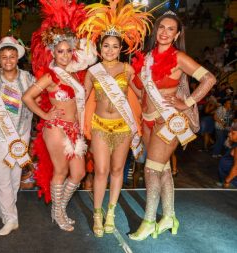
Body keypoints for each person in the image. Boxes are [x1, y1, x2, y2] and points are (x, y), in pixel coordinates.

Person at [129, 11, 216, 240]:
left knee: (150, 170)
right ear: (155, 30)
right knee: (163, 169)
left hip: (168, 120)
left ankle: (148, 222)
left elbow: (209, 79)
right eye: (161, 28)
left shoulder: (179, 58)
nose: (164, 32)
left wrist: (186, 101)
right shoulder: (146, 58)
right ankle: (169, 217)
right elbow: (140, 90)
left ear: (177, 34)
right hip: (148, 119)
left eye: (170, 29)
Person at [77, 0, 149, 237]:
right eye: (106, 46)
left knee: (118, 171)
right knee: (101, 171)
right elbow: (82, 98)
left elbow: (141, 94)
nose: (110, 50)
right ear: (100, 48)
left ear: (121, 49)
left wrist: (147, 80)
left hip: (123, 128)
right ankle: (97, 214)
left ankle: (111, 214)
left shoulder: (128, 70)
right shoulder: (92, 71)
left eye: (114, 46)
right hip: (99, 126)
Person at [24, 0, 96, 232]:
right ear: (52, 52)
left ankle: (59, 209)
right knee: (61, 171)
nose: (64, 55)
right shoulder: (50, 77)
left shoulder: (77, 75)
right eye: (60, 51)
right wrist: (45, 113)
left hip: (73, 130)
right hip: (55, 128)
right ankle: (59, 213)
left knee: (79, 172)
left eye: (68, 51)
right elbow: (27, 97)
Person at [0, 36, 35, 236]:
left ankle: (7, 214)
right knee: (2, 180)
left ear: (17, 58)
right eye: (4, 57)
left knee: (14, 180)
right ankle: (11, 218)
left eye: (11, 56)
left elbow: (37, 99)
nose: (8, 61)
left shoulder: (28, 78)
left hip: (20, 136)